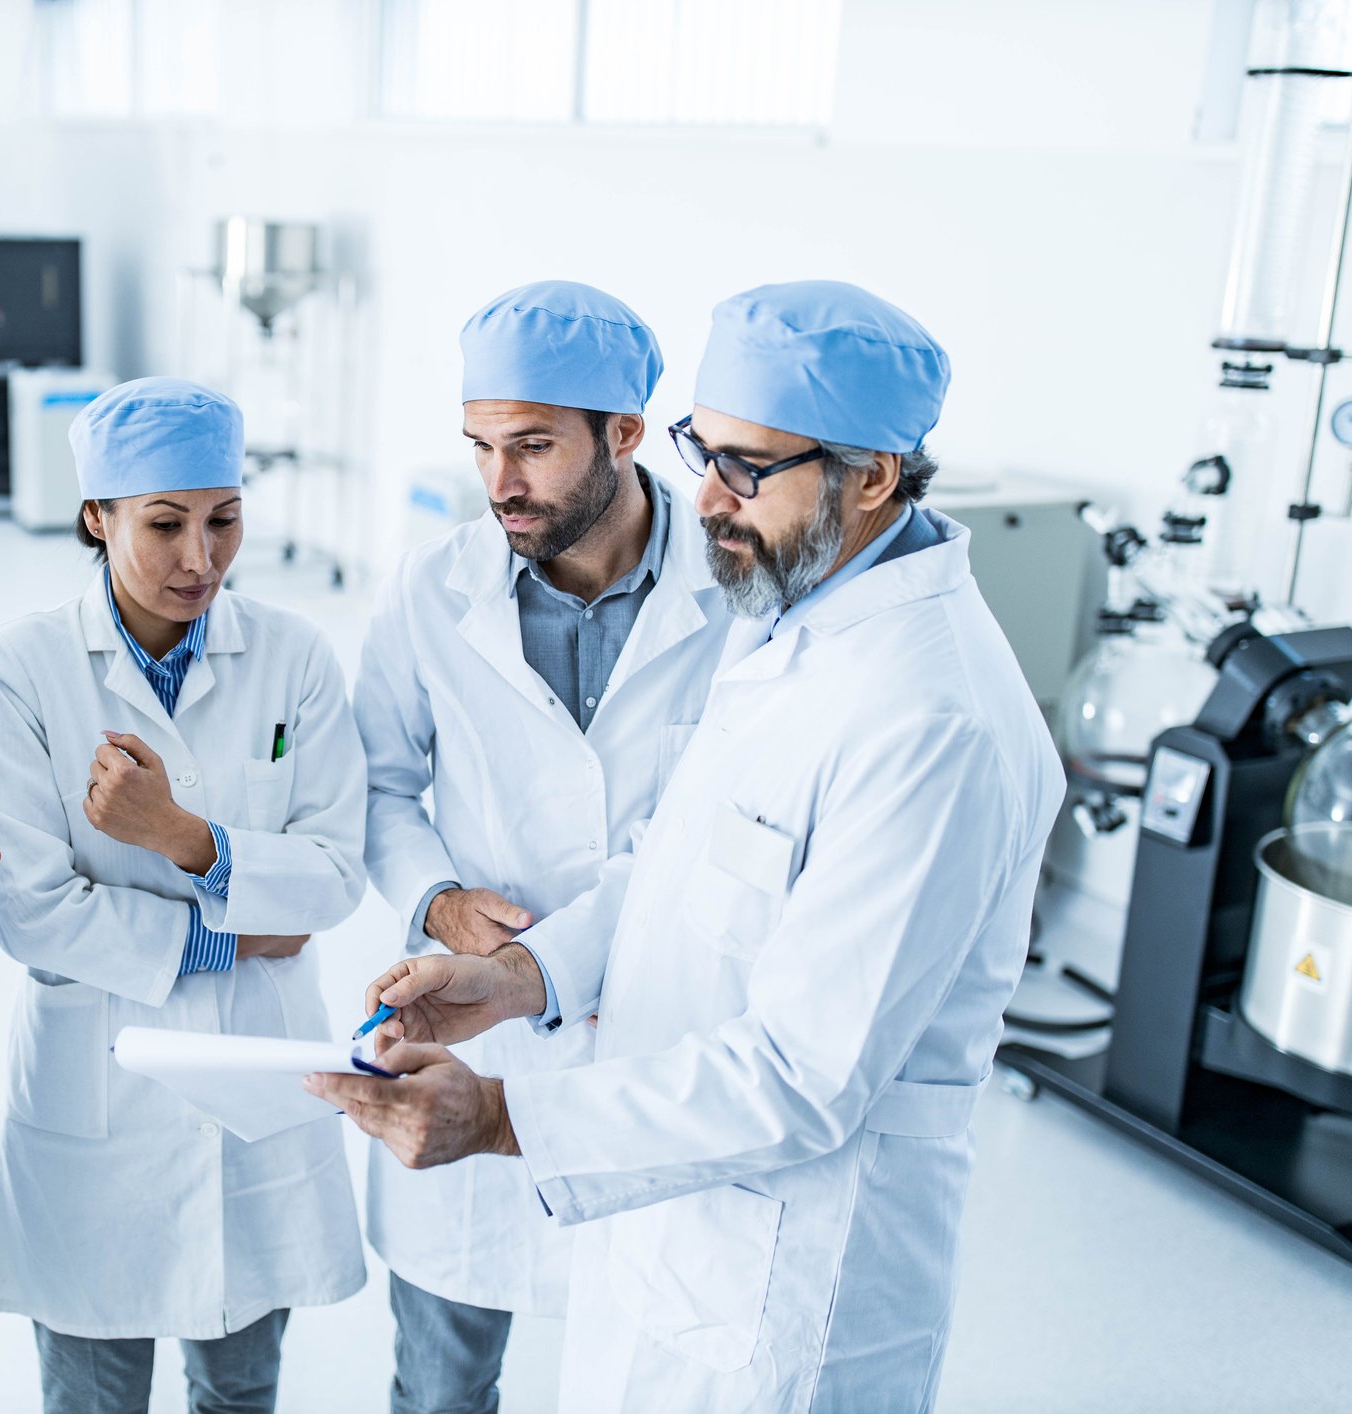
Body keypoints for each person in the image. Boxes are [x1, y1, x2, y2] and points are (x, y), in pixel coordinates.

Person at [309, 281, 1067, 1413]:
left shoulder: (929, 718)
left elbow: (804, 1076)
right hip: (682, 1233)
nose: (707, 497)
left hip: (788, 1285)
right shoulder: (793, 632)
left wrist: (506, 1113)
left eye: (749, 467)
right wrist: (518, 979)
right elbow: (676, 865)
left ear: (873, 477)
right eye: (701, 451)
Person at [354, 281, 731, 1414]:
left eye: (532, 447)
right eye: (480, 447)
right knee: (442, 1380)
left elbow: (717, 828)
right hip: (474, 1039)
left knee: (644, 1364)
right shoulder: (433, 588)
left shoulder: (736, 595)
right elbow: (378, 784)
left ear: (624, 434)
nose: (499, 483)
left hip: (654, 1031)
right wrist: (438, 898)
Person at [0, 377, 368, 1414]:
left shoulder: (296, 658)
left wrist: (182, 840)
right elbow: (34, 912)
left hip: (252, 1093)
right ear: (96, 518)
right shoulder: (22, 671)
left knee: (241, 1392)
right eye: (164, 524)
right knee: (93, 1396)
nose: (201, 558)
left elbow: (329, 879)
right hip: (93, 1097)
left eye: (224, 520)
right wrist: (233, 934)